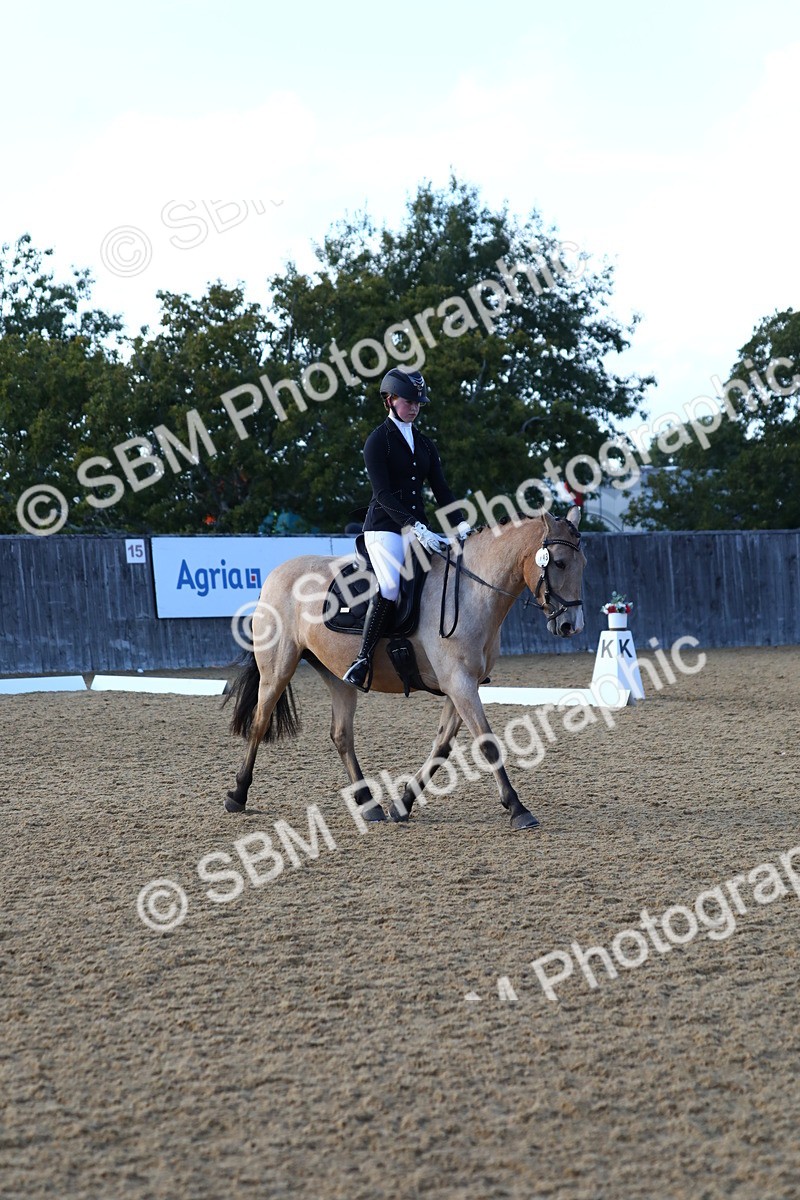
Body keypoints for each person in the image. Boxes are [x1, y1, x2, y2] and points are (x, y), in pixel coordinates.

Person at [343, 366, 470, 691]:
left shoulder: (425, 444)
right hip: (385, 528)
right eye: (408, 401)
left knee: (448, 577)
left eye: (418, 402)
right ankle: (363, 659)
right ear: (390, 399)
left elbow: (441, 488)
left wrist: (461, 523)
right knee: (389, 586)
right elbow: (382, 494)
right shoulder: (378, 441)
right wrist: (413, 525)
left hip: (420, 529)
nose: (414, 407)